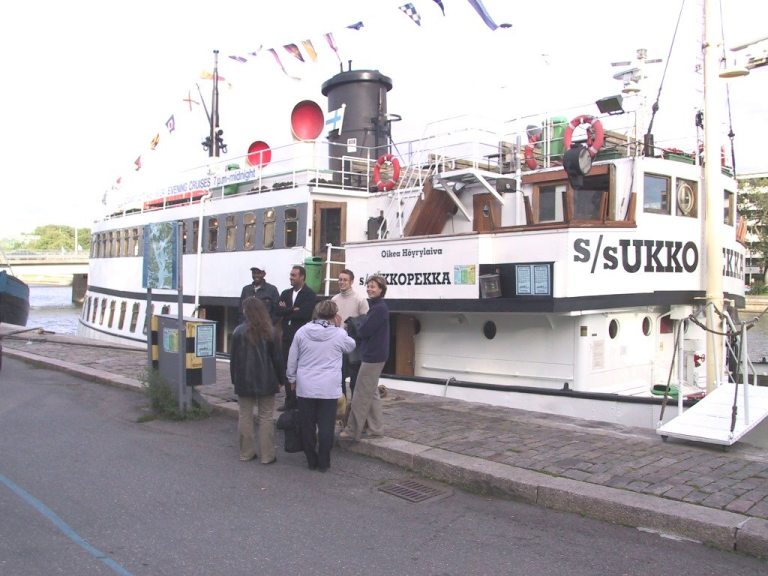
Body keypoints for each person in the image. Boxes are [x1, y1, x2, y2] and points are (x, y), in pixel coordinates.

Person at [286, 300, 355, 472]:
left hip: (306, 385)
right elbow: (351, 346)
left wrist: (292, 378)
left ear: (317, 313)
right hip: (328, 387)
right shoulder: (339, 334)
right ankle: (324, 461)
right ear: (334, 315)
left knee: (307, 425)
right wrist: (340, 327)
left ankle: (311, 460)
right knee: (326, 426)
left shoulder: (302, 331)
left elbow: (292, 357)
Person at [230, 297, 285, 464]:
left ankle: (246, 453)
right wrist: (281, 379)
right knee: (266, 417)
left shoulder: (238, 332)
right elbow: (277, 359)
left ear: (246, 311)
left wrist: (234, 379)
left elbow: (234, 360)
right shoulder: (271, 332)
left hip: (243, 379)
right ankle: (267, 455)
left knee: (244, 416)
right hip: (267, 379)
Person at [339, 274, 389, 442]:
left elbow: (365, 330)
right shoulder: (377, 307)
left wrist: (356, 327)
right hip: (376, 354)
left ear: (381, 290)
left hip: (372, 356)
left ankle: (352, 430)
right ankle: (376, 428)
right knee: (372, 392)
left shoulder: (378, 308)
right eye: (368, 286)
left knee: (360, 393)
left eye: (373, 286)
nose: (369, 289)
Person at [276, 265, 317, 410]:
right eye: (291, 275)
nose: (291, 278)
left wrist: (287, 311)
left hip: (302, 338)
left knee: (301, 369)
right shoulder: (285, 293)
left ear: (302, 277)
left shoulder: (309, 294)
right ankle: (290, 400)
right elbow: (278, 311)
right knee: (288, 368)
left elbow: (305, 314)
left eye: (294, 275)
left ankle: (301, 401)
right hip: (287, 337)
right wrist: (292, 309)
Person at [331, 269, 369, 397]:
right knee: (339, 377)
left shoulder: (360, 300)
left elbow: (365, 322)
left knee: (354, 379)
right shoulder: (334, 300)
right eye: (340, 279)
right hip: (338, 344)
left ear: (351, 282)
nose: (342, 282)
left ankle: (354, 405)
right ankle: (341, 404)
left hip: (354, 344)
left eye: (345, 280)